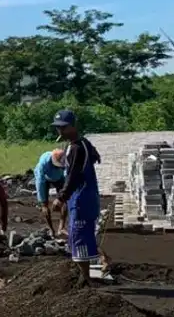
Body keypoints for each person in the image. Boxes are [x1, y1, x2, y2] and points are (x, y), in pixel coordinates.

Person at [52, 109, 102, 284]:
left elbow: (73, 176)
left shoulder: (75, 148)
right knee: (82, 234)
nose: (60, 131)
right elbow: (96, 156)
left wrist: (61, 197)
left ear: (72, 126)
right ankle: (85, 275)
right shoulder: (84, 143)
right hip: (88, 196)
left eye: (63, 128)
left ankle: (85, 278)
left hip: (81, 198)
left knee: (79, 236)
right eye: (58, 128)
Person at [34, 148, 68, 236]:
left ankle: (61, 227)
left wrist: (61, 197)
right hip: (44, 179)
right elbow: (40, 182)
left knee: (65, 201)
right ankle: (51, 230)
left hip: (59, 178)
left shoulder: (65, 160)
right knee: (44, 206)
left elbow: (67, 176)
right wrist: (43, 201)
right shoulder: (43, 164)